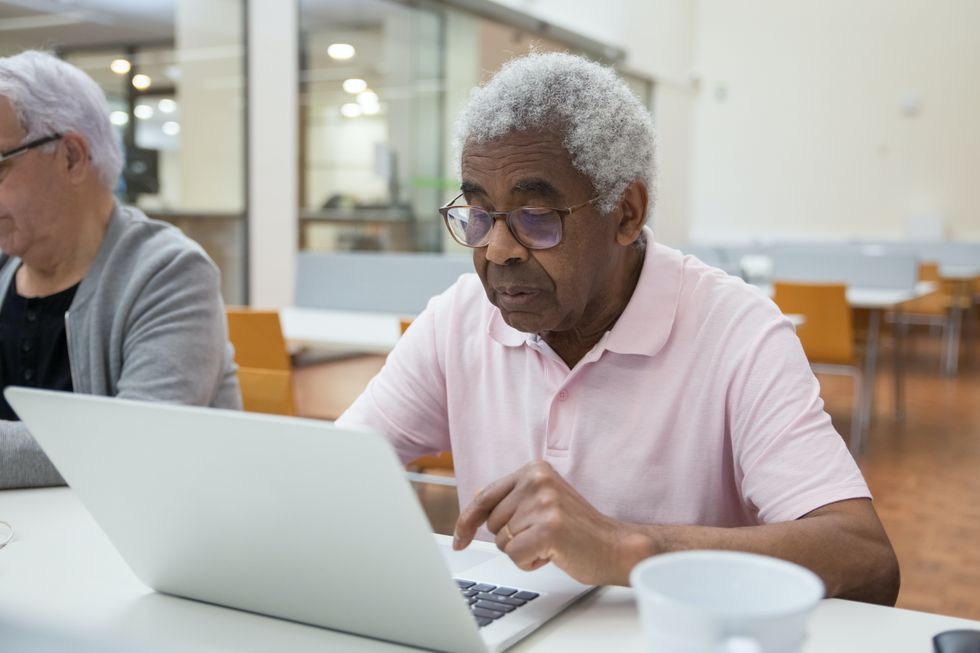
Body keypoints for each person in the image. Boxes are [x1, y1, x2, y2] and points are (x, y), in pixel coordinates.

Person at [335, 52, 899, 604]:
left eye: (536, 217)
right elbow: (333, 467)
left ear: (626, 214)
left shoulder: (738, 331)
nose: (497, 249)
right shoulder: (459, 316)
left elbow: (866, 559)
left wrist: (630, 547)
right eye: (479, 216)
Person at [0, 50, 241, 489]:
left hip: (139, 549)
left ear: (71, 157)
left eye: (0, 167)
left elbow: (135, 444)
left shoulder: (169, 274)